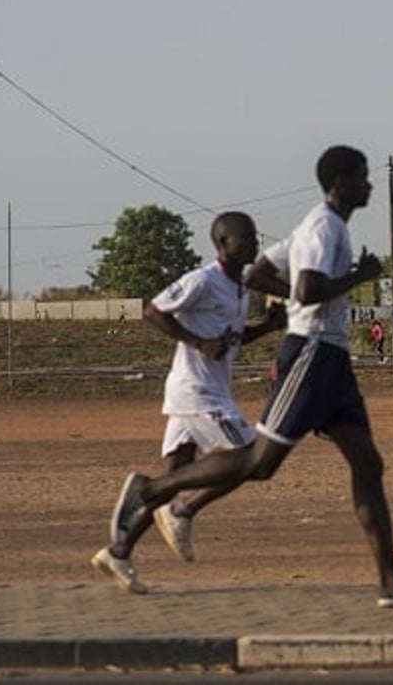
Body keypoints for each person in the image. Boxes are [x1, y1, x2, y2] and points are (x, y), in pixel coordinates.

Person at [106, 145, 393, 609]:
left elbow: (258, 274)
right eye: (364, 176)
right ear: (341, 181)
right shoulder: (323, 228)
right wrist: (358, 276)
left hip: (334, 359)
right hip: (310, 353)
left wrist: (280, 309)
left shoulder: (320, 228)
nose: (370, 184)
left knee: (369, 465)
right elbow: (308, 290)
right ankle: (156, 491)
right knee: (259, 461)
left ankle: (392, 582)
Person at [91, 212, 285, 593]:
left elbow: (229, 339)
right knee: (253, 458)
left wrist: (267, 327)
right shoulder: (203, 280)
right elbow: (154, 310)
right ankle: (182, 509)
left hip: (211, 390)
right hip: (196, 391)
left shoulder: (243, 288)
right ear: (223, 244)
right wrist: (197, 343)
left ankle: (119, 551)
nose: (254, 243)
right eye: (245, 238)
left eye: (254, 236)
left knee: (174, 474)